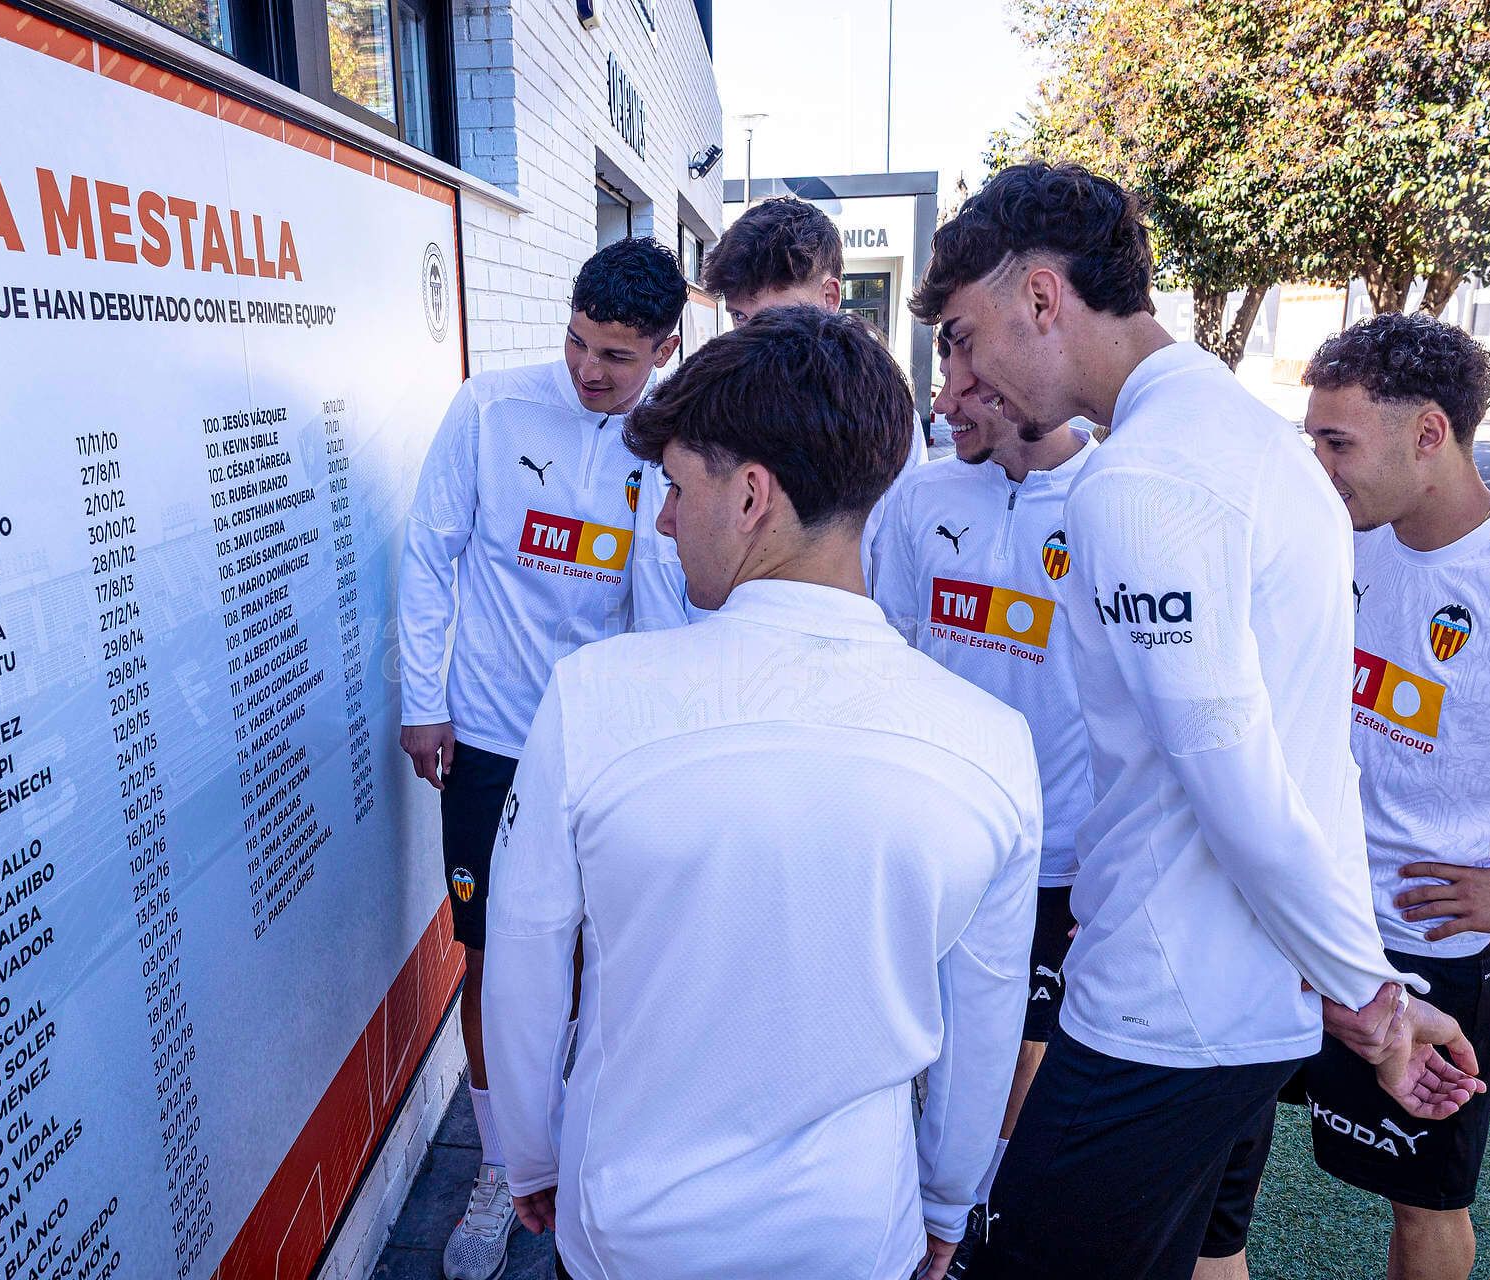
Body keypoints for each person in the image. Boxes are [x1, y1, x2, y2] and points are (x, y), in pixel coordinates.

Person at [915, 163, 1484, 1280]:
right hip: (1227, 997)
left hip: (1164, 1012)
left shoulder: (1142, 482)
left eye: (969, 336)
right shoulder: (1250, 438)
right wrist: (1347, 980)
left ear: (1042, 297)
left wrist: (1367, 1000)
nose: (961, 379)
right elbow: (1291, 763)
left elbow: (1240, 777)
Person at [480, 306, 1043, 1280]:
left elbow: (526, 961)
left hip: (629, 1226)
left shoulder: (594, 697)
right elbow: (983, 1017)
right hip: (854, 1229)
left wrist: (527, 1152)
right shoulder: (991, 742)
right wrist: (950, 1195)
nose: (661, 518)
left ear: (750, 496)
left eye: (673, 486)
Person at [395, 237, 685, 1280]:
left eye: (615, 353)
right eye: (575, 341)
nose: (588, 369)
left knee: (599, 963)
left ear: (664, 346)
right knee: (491, 957)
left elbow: (667, 607)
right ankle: (498, 1164)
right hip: (488, 738)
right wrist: (423, 702)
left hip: (607, 749)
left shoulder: (673, 442)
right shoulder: (488, 408)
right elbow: (430, 552)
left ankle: (585, 1154)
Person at [1297, 312, 1490, 1280]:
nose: (1321, 464)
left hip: (1443, 951)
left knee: (1425, 1203)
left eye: (1338, 441)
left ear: (1429, 434)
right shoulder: (1346, 539)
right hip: (1313, 920)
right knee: (1222, 1152)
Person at [870, 333, 1098, 1241]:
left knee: (1014, 1043)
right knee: (911, 1026)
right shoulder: (920, 492)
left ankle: (977, 1217)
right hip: (928, 827)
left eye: (972, 386)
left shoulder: (1111, 500)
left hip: (1060, 847)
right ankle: (915, 1200)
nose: (948, 403)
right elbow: (886, 650)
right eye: (944, 381)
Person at [632, 196, 927, 627]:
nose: (753, 338)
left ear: (829, 297)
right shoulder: (708, 403)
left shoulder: (880, 412)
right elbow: (658, 557)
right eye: (738, 317)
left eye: (771, 316)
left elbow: (897, 568)